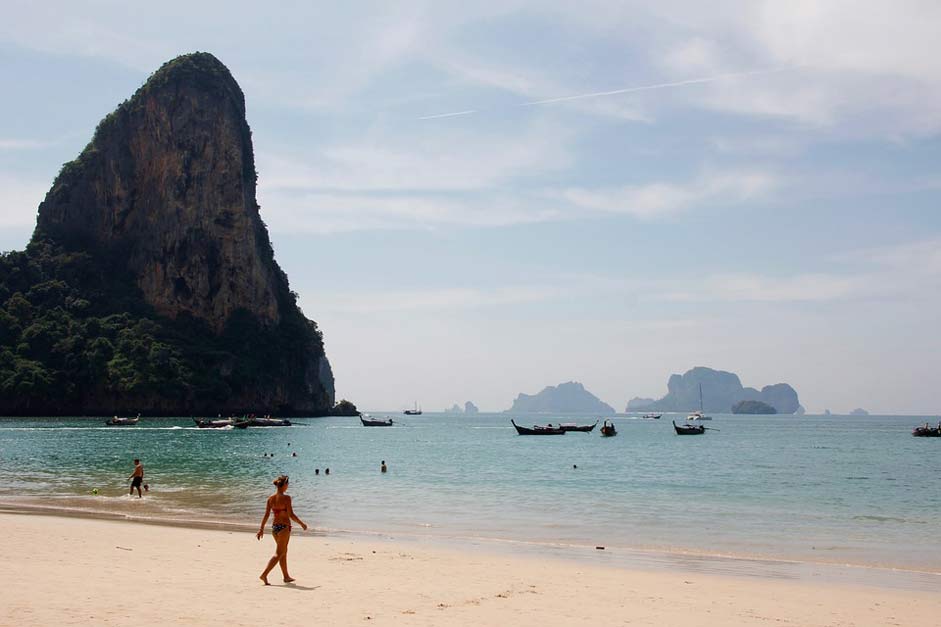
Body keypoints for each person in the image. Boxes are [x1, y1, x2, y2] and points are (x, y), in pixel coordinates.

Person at [256, 475, 308, 585]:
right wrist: (302, 523)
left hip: (275, 528)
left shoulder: (270, 498)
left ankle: (286, 576)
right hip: (284, 528)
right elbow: (291, 515)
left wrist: (261, 529)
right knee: (279, 553)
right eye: (287, 484)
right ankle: (264, 574)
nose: (288, 486)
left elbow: (266, 515)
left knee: (283, 551)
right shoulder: (286, 498)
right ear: (284, 485)